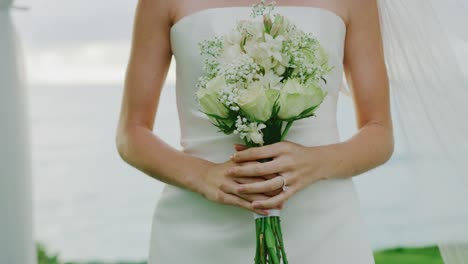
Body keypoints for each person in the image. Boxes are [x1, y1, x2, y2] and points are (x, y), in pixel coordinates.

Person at [116, 0, 392, 263]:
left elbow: (379, 132)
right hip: (199, 231)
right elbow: (132, 133)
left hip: (325, 229)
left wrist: (316, 162)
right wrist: (203, 176)